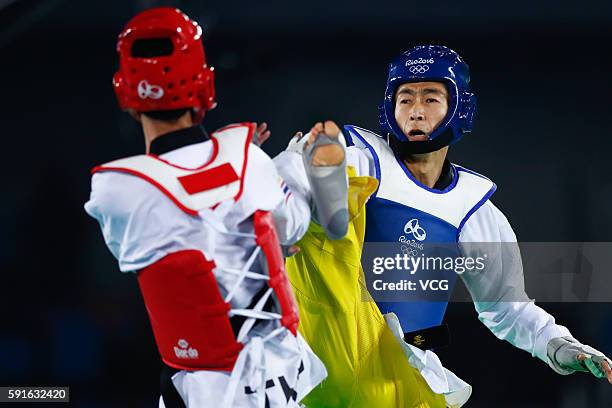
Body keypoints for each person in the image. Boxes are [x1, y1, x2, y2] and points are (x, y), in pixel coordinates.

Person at [274, 45, 612, 407]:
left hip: (405, 383)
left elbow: (506, 306)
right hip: (327, 358)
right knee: (314, 176)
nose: (416, 112)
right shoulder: (364, 161)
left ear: (459, 108)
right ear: (389, 108)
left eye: (431, 98)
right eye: (405, 99)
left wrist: (558, 345)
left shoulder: (473, 210)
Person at [84, 7, 347, 407]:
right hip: (282, 381)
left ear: (127, 96)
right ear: (204, 85)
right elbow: (289, 227)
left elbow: (163, 227)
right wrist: (270, 165)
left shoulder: (114, 190)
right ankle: (305, 155)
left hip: (203, 392)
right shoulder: (247, 160)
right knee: (291, 210)